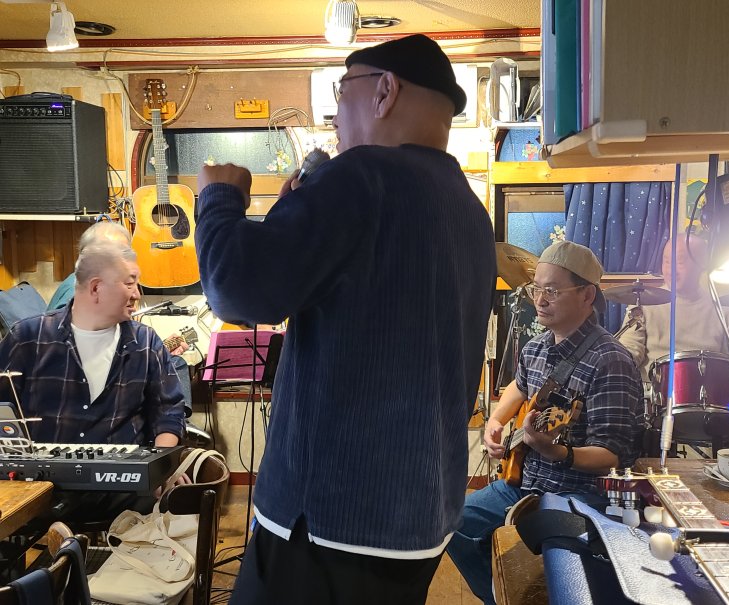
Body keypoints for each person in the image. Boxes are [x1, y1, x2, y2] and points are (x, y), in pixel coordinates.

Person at [195, 34, 496, 604]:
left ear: (385, 91)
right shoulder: (469, 209)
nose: (334, 115)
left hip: (329, 519)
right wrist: (298, 212)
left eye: (342, 92)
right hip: (418, 518)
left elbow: (236, 290)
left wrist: (218, 200)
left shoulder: (361, 175)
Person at [446, 241, 643, 605]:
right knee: (453, 524)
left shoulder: (611, 361)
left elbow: (611, 456)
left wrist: (557, 452)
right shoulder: (534, 348)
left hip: (579, 492)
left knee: (556, 560)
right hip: (524, 482)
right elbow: (519, 388)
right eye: (536, 289)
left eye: (552, 291)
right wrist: (496, 421)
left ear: (587, 295)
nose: (539, 300)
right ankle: (504, 597)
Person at [0, 241, 185, 446]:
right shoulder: (27, 337)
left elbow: (169, 413)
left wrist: (161, 461)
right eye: (129, 284)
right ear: (96, 288)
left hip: (126, 466)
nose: (137, 294)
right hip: (40, 467)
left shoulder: (146, 341)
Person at [47, 220, 196, 421]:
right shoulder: (76, 293)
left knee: (172, 363)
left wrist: (154, 352)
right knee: (172, 365)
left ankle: (176, 424)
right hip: (81, 411)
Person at [617, 234, 729, 382]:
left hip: (707, 393)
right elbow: (629, 348)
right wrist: (619, 362)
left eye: (679, 262)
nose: (671, 270)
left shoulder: (725, 311)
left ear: (701, 264)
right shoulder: (643, 304)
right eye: (666, 261)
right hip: (652, 392)